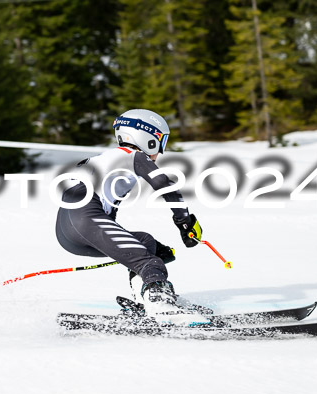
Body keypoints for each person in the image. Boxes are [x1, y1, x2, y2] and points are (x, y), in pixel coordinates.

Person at [54, 109, 207, 326]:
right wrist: (185, 221)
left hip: (67, 232)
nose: (160, 151)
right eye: (161, 141)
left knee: (145, 242)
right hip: (85, 219)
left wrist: (138, 250)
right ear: (148, 138)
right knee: (149, 261)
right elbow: (164, 185)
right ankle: (160, 304)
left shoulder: (106, 159)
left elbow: (102, 216)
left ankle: (147, 299)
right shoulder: (132, 155)